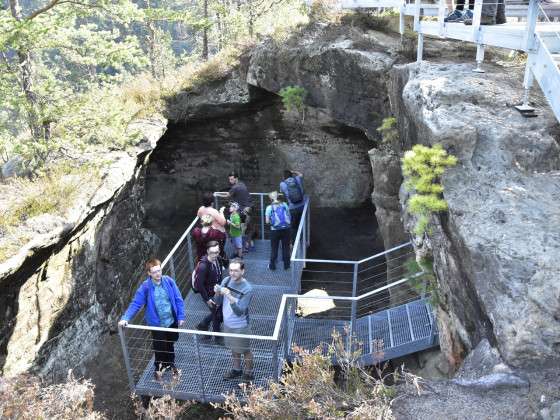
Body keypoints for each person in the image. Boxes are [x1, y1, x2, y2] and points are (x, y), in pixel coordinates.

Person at [118, 258, 185, 381]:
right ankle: (158, 369)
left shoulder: (169, 281)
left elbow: (178, 299)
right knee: (160, 347)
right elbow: (136, 304)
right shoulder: (145, 287)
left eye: (159, 271)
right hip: (157, 324)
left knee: (170, 343)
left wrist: (180, 316)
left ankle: (170, 364)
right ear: (149, 273)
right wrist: (125, 318)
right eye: (154, 272)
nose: (158, 274)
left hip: (171, 320)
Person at [213, 259, 254, 382]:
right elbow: (218, 302)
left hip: (240, 325)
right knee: (233, 348)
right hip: (228, 323)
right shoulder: (226, 281)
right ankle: (236, 370)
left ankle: (249, 374)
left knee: (245, 350)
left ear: (242, 271)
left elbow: (239, 311)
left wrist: (229, 295)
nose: (232, 273)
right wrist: (217, 293)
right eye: (231, 270)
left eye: (236, 270)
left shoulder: (247, 289)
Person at [193, 241, 224, 344]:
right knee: (217, 315)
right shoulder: (203, 266)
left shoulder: (218, 259)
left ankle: (203, 324)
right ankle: (217, 338)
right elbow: (199, 285)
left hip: (218, 291)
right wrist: (207, 299)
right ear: (207, 252)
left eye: (217, 252)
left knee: (218, 312)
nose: (215, 254)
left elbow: (219, 274)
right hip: (209, 294)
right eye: (212, 252)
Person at [216, 172, 255, 252]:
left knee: (238, 229)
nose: (230, 181)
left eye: (232, 179)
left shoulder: (235, 187)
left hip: (242, 211)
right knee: (250, 228)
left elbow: (227, 195)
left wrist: (217, 194)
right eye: (229, 179)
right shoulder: (242, 184)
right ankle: (248, 243)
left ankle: (239, 248)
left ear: (236, 178)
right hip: (250, 208)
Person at [265, 191, 291, 271]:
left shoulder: (269, 207)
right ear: (278, 196)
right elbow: (289, 215)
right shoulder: (284, 204)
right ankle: (287, 266)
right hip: (286, 229)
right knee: (286, 248)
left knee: (274, 248)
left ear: (270, 198)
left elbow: (267, 221)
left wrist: (273, 222)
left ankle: (272, 266)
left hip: (275, 231)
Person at [279, 170, 305, 244]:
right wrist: (293, 171)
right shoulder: (297, 179)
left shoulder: (282, 184)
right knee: (301, 224)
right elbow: (301, 174)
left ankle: (293, 243)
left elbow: (282, 192)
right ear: (291, 175)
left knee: (293, 226)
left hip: (292, 208)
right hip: (301, 205)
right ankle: (301, 241)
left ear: (284, 177)